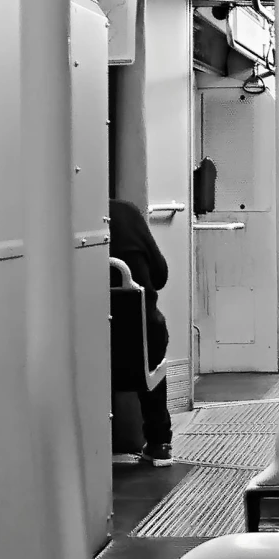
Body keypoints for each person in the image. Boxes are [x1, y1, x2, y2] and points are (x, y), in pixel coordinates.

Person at [108, 195, 172, 466]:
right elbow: (159, 275)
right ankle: (159, 442)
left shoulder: (60, 219)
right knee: (150, 338)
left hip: (84, 342)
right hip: (139, 339)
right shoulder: (125, 213)